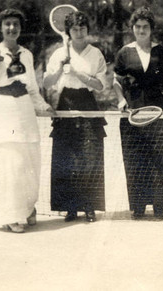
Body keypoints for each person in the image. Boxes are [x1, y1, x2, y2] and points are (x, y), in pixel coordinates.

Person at [0, 9, 55, 233]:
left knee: (29, 163)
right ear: (0, 28)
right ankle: (12, 216)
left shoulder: (27, 54)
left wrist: (43, 105)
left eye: (15, 24)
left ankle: (27, 208)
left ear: (20, 28)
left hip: (25, 112)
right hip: (3, 110)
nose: (12, 28)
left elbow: (32, 88)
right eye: (7, 24)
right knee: (9, 164)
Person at [113, 7, 163, 219]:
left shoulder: (162, 51)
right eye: (138, 27)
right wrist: (120, 99)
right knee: (134, 159)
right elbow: (115, 81)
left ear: (151, 29)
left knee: (158, 158)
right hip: (132, 112)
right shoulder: (124, 52)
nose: (141, 30)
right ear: (132, 29)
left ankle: (158, 206)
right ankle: (137, 207)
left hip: (157, 112)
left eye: (145, 27)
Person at [43, 10, 109, 223]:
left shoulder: (96, 53)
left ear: (87, 30)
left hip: (88, 104)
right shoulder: (59, 53)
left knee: (90, 159)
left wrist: (78, 74)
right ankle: (70, 208)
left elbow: (100, 85)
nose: (79, 32)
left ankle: (89, 207)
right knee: (66, 159)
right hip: (65, 104)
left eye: (82, 28)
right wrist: (62, 68)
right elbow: (47, 82)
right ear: (68, 32)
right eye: (74, 29)